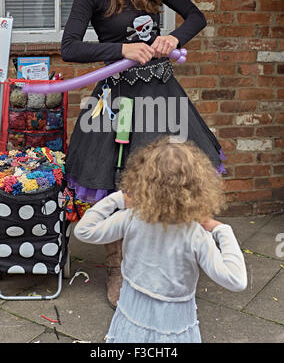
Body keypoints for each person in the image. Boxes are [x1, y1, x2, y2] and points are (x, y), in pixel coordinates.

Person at [61, 0, 226, 308]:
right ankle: (117, 268)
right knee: (118, 179)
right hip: (118, 100)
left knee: (173, 172)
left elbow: (197, 17)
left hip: (161, 91)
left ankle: (170, 257)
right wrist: (121, 50)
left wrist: (173, 37)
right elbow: (69, 47)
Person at [74, 137, 247, 343]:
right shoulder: (196, 234)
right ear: (197, 186)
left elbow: (84, 231)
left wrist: (118, 199)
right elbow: (236, 280)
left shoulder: (131, 217)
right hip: (172, 320)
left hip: (133, 307)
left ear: (142, 180)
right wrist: (222, 230)